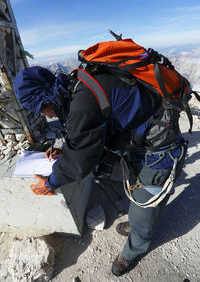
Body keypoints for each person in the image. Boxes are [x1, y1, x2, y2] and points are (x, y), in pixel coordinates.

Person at [14, 64, 188, 277]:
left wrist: (50, 183)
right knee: (135, 188)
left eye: (41, 108)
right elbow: (84, 132)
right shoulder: (76, 84)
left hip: (159, 149)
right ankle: (135, 225)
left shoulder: (82, 102)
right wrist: (63, 149)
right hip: (139, 138)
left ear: (46, 98)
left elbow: (80, 160)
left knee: (146, 201)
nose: (46, 115)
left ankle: (135, 247)